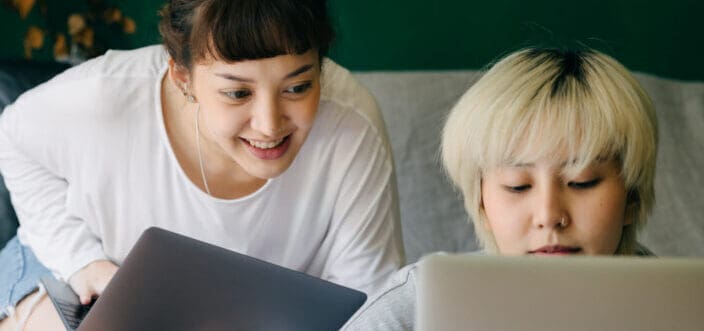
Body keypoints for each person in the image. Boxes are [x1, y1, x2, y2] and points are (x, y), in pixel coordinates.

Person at [0, 0, 405, 330]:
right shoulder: (104, 96)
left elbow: (370, 301)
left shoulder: (352, 126)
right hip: (84, 272)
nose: (269, 124)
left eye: (298, 87)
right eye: (236, 93)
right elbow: (11, 138)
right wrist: (83, 262)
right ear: (182, 77)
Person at [341, 46, 658, 330]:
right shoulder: (422, 303)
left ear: (633, 196)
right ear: (480, 202)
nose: (548, 216)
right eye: (518, 187)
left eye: (581, 182)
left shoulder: (677, 305)